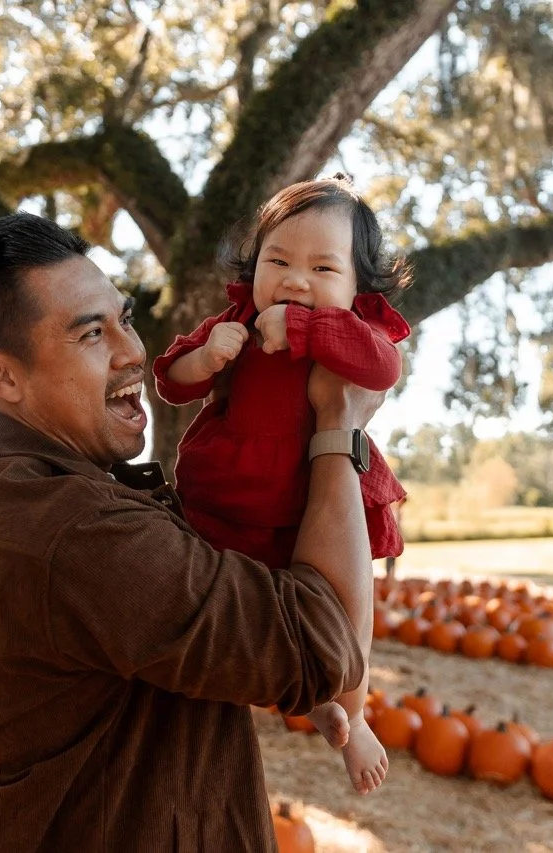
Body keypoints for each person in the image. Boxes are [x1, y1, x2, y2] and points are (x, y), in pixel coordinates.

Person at [0, 212, 383, 850]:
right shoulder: (76, 531)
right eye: (91, 334)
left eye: (125, 319)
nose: (134, 353)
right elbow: (323, 641)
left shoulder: (37, 489)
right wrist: (339, 423)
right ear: (2, 376)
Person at [152, 174, 411, 793]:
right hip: (225, 502)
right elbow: (171, 381)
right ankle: (292, 692)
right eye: (279, 261)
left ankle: (351, 712)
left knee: (346, 616)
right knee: (229, 612)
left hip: (307, 508)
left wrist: (303, 331)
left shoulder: (354, 330)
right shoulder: (234, 320)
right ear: (254, 265)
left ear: (357, 287)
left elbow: (383, 366)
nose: (296, 280)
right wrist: (209, 356)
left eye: (324, 268)